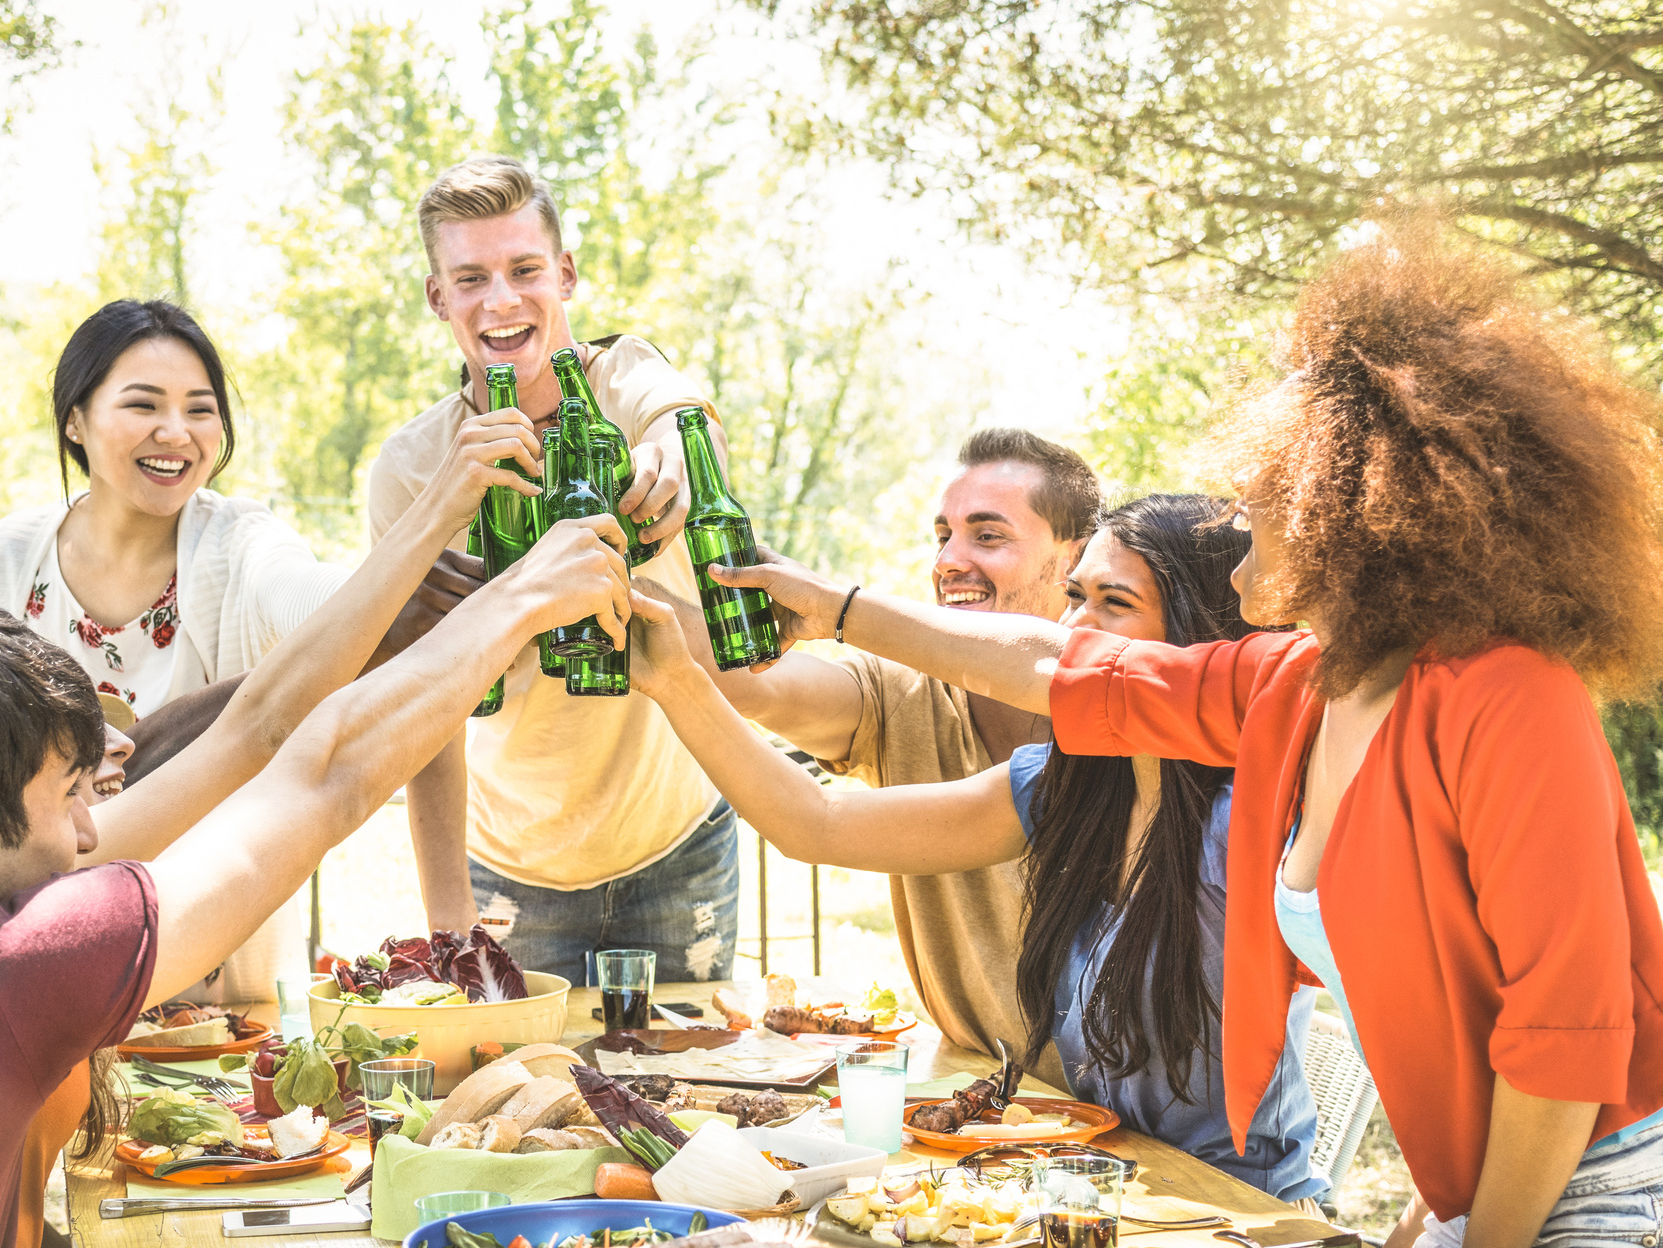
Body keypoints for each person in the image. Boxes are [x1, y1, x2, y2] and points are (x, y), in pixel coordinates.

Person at [711, 224, 1663, 1248]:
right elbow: (1054, 670)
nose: (1237, 542)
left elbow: (1567, 1040)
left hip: (1602, 1187)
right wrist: (836, 607)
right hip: (1484, 1183)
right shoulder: (1295, 687)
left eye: (1261, 507)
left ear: (1353, 513)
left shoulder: (1512, 695)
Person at [0, 495, 630, 1246]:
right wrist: (521, 601)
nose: (93, 839)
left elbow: (274, 736)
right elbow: (325, 779)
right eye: (64, 801)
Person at [629, 494, 1325, 1200]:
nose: (1078, 627)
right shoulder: (1066, 787)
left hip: (1237, 1210)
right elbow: (817, 823)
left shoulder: (1260, 820)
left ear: (1200, 641)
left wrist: (838, 609)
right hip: (1091, 1192)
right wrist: (673, 682)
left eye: (1114, 604)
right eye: (1075, 597)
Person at [0, 298, 472, 1001]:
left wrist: (394, 586)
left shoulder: (238, 544)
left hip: (230, 1004)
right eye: (143, 405)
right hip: (42, 992)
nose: (177, 433)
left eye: (201, 409)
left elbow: (306, 598)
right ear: (75, 419)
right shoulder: (2, 565)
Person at [365, 153, 737, 983]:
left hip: (678, 844)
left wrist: (673, 463)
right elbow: (423, 706)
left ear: (564, 275)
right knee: (530, 1100)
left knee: (706, 1091)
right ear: (438, 297)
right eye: (470, 278)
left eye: (524, 269)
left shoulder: (625, 374)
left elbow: (682, 420)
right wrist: (449, 925)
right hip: (511, 872)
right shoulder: (411, 470)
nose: (501, 300)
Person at [706, 427, 1096, 1088]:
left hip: (1138, 1129)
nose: (950, 558)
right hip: (986, 1102)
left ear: (1074, 560)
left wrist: (839, 609)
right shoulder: (905, 692)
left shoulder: (1133, 716)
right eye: (943, 534)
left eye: (988, 536)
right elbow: (753, 684)